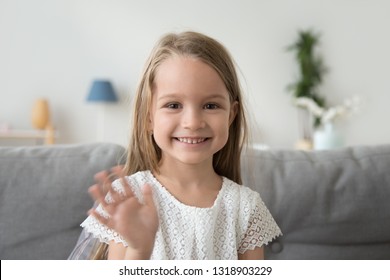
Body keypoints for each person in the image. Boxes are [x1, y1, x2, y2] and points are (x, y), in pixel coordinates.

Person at [73, 31, 282, 260]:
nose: (192, 122)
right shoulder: (128, 199)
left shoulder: (247, 208)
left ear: (231, 116)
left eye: (211, 106)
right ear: (148, 117)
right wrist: (139, 249)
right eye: (173, 105)